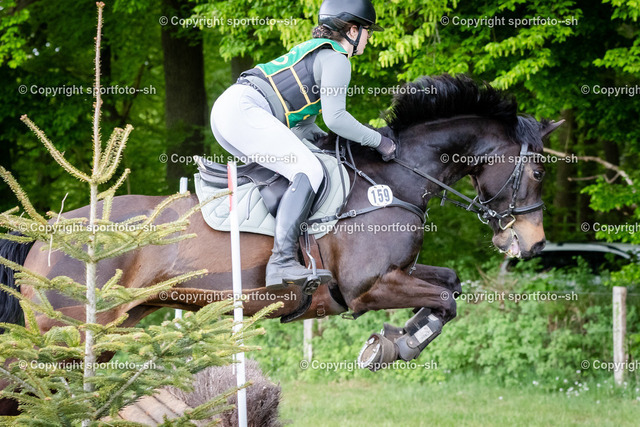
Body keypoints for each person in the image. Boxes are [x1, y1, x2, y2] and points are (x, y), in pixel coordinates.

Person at [210, 0, 396, 290]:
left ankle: (268, 248)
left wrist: (328, 144)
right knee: (309, 170)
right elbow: (336, 119)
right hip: (245, 111)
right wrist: (380, 141)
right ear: (352, 30)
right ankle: (281, 261)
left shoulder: (315, 53)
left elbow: (305, 128)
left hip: (232, 112)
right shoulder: (337, 59)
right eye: (367, 31)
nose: (369, 37)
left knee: (298, 169)